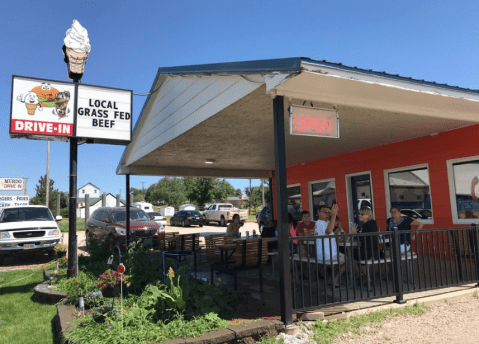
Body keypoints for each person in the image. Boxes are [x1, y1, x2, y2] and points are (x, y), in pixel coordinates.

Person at [314, 204, 346, 287]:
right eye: (324, 212)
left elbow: (330, 230)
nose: (327, 214)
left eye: (328, 212)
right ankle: (335, 280)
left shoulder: (323, 223)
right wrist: (334, 215)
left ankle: (332, 279)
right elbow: (328, 230)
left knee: (339, 260)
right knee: (347, 260)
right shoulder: (320, 223)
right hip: (328, 255)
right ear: (318, 213)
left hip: (327, 254)